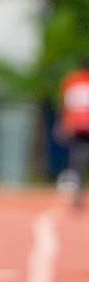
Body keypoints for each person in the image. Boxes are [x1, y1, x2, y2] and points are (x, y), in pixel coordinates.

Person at [57, 62, 89, 211]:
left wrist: (64, 123)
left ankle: (77, 194)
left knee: (76, 160)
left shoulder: (71, 81)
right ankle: (77, 193)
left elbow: (66, 104)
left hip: (77, 125)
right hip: (83, 124)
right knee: (77, 161)